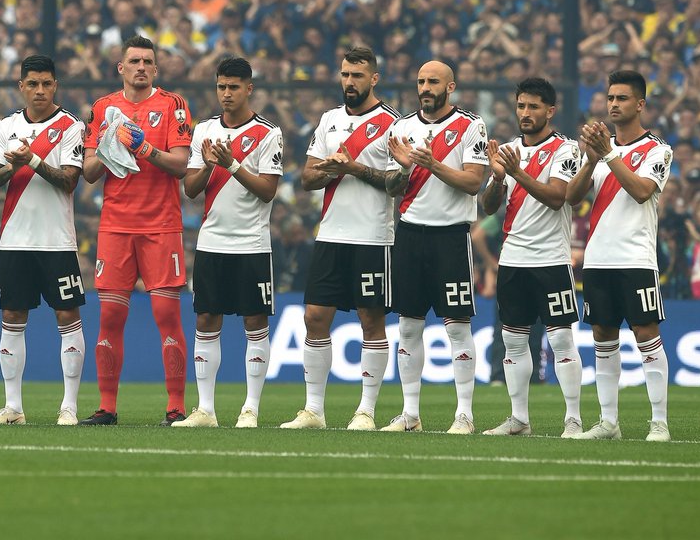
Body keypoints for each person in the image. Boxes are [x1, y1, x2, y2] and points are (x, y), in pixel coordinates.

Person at [282, 47, 404, 430]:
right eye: (346, 74)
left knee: (371, 320)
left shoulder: (393, 123)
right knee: (315, 317)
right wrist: (333, 170)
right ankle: (314, 411)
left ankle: (365, 411)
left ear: (374, 79)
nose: (350, 81)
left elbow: (397, 183)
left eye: (357, 75)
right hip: (331, 234)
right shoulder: (329, 120)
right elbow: (306, 179)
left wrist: (351, 166)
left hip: (372, 237)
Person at [80, 36, 192, 425]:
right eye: (134, 61)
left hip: (161, 226)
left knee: (167, 315)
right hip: (115, 226)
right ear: (121, 68)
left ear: (156, 70)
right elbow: (89, 173)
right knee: (109, 317)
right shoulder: (103, 108)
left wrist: (145, 150)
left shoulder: (173, 105)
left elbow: (180, 166)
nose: (141, 66)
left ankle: (175, 407)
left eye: (148, 61)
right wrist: (109, 145)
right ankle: (106, 408)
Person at [567, 70, 673, 442]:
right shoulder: (601, 151)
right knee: (602, 335)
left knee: (646, 334)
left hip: (636, 259)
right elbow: (573, 197)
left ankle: (659, 422)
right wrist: (591, 160)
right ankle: (608, 422)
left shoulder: (657, 149)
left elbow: (642, 191)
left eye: (622, 98)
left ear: (640, 104)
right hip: (598, 259)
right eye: (610, 98)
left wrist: (609, 154)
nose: (613, 104)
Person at [0, 54, 87, 425]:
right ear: (21, 87)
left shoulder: (71, 126)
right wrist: (12, 164)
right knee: (11, 315)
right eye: (33, 84)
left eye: (46, 83)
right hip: (15, 239)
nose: (39, 90)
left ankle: (69, 407)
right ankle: (13, 408)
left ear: (55, 85)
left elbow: (71, 180)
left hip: (57, 239)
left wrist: (35, 160)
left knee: (67, 315)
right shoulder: (7, 125)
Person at [384, 60, 489, 434]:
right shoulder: (402, 128)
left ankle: (465, 414)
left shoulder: (470, 125)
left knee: (457, 327)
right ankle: (409, 414)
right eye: (421, 81)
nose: (425, 87)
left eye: (433, 82)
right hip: (410, 235)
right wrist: (405, 169)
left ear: (450, 87)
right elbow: (393, 189)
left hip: (450, 236)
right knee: (408, 327)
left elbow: (473, 182)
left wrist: (432, 163)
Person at [177, 56, 282, 428]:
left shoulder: (268, 133)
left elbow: (268, 191)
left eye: (234, 87)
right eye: (221, 86)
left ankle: (250, 408)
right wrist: (208, 164)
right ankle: (206, 409)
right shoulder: (204, 130)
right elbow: (190, 190)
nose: (226, 94)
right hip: (211, 242)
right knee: (206, 319)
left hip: (252, 244)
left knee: (254, 322)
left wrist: (233, 163)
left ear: (248, 89)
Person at [478, 78, 584, 438]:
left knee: (560, 341)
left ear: (550, 110)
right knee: (513, 341)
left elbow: (558, 197)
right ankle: (519, 418)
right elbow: (488, 207)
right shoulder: (507, 150)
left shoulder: (566, 150)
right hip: (513, 260)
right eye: (521, 106)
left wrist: (516, 171)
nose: (525, 113)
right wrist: (495, 179)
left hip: (551, 260)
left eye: (533, 106)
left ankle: (573, 419)